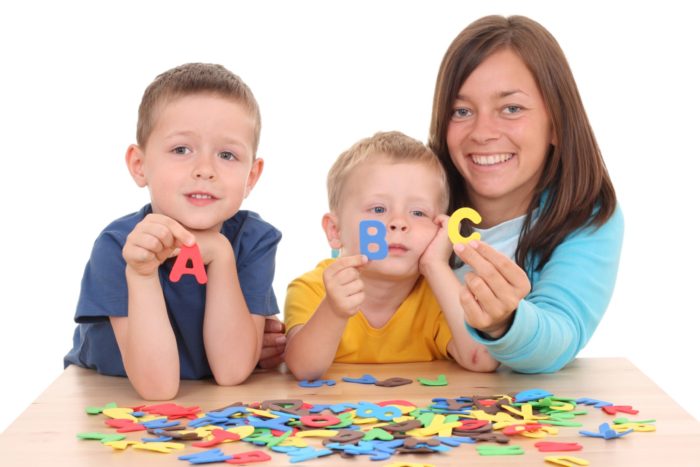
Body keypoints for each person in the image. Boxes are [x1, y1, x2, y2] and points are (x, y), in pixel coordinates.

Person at [64, 63, 281, 399]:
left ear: (251, 177)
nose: (205, 170)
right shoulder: (118, 245)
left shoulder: (256, 240)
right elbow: (158, 389)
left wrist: (221, 254)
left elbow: (231, 371)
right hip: (108, 395)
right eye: (181, 150)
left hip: (208, 400)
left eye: (227, 154)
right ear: (140, 166)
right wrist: (140, 274)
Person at [427, 15, 624, 373]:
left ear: (557, 125)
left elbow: (560, 337)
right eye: (462, 111)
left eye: (512, 108)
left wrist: (504, 322)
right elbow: (355, 273)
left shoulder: (587, 219)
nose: (483, 132)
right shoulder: (410, 199)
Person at [283, 131, 498, 380]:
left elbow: (481, 359)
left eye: (418, 213)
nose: (398, 223)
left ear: (440, 227)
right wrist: (334, 309)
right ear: (335, 230)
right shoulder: (311, 289)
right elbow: (303, 368)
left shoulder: (438, 296)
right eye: (378, 209)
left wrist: (436, 265)